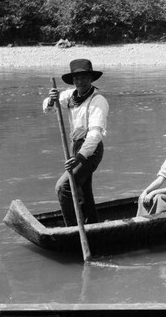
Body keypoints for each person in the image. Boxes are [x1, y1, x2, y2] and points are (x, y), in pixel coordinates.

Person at [43, 59, 109, 226]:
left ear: (91, 79)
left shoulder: (98, 100)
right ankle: (92, 224)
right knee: (83, 191)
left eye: (83, 78)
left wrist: (80, 156)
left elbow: (95, 134)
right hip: (76, 146)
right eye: (76, 79)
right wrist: (51, 99)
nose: (79, 82)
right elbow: (48, 108)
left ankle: (72, 228)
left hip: (90, 150)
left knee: (64, 187)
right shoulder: (71, 95)